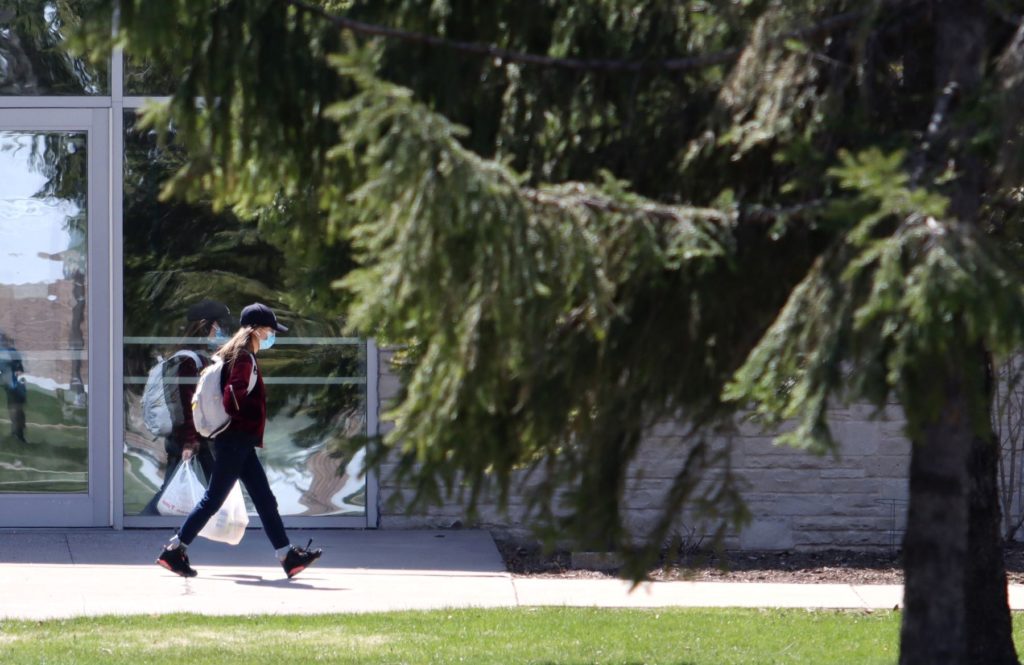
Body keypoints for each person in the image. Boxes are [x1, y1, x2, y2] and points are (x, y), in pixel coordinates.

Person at [156, 303, 322, 579]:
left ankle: (287, 556)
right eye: (269, 330)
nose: (271, 335)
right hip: (235, 439)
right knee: (213, 499)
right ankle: (173, 550)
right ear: (256, 330)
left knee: (264, 499)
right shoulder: (243, 358)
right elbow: (233, 393)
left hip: (238, 441)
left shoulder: (235, 355)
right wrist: (239, 415)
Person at [141, 300, 231, 515]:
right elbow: (188, 403)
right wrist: (190, 442)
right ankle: (147, 521)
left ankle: (201, 525)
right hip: (191, 438)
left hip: (193, 437)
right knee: (176, 492)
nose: (220, 331)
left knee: (189, 489)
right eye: (217, 326)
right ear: (205, 325)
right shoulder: (188, 361)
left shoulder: (197, 358)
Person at [0, 331, 26, 443]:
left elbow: (20, 369)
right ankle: (17, 433)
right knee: (15, 409)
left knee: (15, 409)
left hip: (13, 385)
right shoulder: (11, 351)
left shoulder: (11, 352)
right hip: (9, 384)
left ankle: (18, 434)